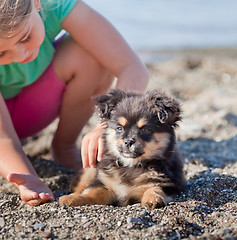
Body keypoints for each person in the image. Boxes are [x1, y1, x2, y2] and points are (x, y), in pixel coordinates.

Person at [0, 0, 148, 206]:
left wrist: (107, 126)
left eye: (25, 37)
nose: (21, 55)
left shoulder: (55, 4)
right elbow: (3, 139)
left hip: (32, 107)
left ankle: (64, 146)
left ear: (36, 3)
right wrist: (28, 178)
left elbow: (132, 68)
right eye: (0, 53)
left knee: (92, 55)